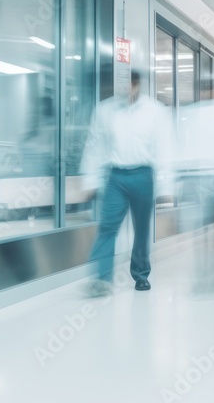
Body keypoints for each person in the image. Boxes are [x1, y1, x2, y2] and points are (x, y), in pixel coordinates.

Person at [80, 70, 173, 296]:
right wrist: (90, 181)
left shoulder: (155, 111)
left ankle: (141, 275)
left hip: (144, 175)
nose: (126, 88)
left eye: (131, 83)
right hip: (116, 177)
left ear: (137, 84)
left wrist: (166, 186)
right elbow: (94, 146)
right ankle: (101, 280)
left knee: (142, 230)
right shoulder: (104, 110)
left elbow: (165, 149)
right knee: (107, 227)